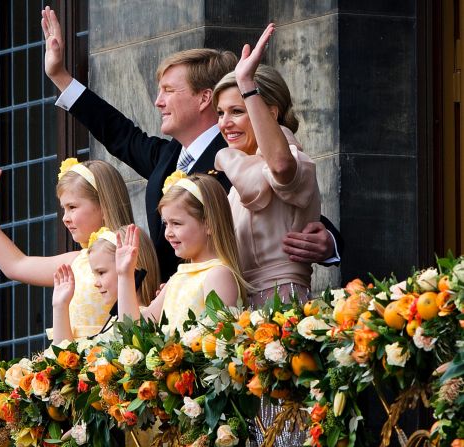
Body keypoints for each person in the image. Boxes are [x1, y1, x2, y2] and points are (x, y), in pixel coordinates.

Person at [40, 6, 341, 282]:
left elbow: (286, 197)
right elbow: (119, 134)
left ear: (204, 98)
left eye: (169, 90)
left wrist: (329, 241)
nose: (158, 102)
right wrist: (60, 76)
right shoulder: (167, 156)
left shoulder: (241, 152)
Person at [213, 24, 318, 447]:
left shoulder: (295, 160)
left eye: (236, 110)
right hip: (243, 319)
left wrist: (248, 85)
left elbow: (276, 169)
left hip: (284, 309)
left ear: (269, 111)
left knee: (287, 434)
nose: (225, 123)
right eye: (220, 113)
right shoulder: (237, 178)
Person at [0, 158, 159, 343]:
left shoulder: (128, 251)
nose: (65, 218)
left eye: (72, 207)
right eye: (63, 209)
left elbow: (136, 326)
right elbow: (16, 265)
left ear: (103, 205)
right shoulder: (77, 260)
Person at [114, 173, 247, 335]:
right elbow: (132, 331)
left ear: (209, 223)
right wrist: (125, 275)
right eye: (165, 224)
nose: (168, 233)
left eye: (176, 223)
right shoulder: (178, 277)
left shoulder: (218, 274)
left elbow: (219, 344)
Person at [50, 225, 160, 344]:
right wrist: (60, 306)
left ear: (132, 266)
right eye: (94, 274)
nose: (96, 284)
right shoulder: (112, 322)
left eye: (101, 272)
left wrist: (125, 274)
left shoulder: (147, 318)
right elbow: (65, 358)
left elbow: (130, 342)